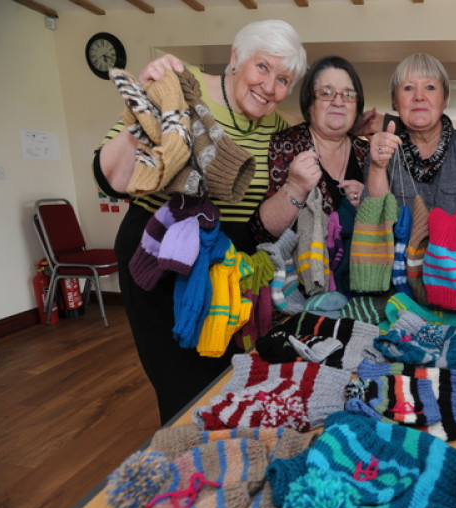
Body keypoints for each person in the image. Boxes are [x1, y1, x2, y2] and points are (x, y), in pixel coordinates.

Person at [93, 20, 307, 424]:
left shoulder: (278, 127)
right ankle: (189, 471)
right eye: (262, 67)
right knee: (184, 393)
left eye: (283, 79)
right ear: (235, 58)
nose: (270, 86)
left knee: (229, 386)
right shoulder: (181, 84)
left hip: (229, 272)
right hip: (163, 261)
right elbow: (110, 179)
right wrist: (146, 109)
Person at [249, 55, 370, 243]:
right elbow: (261, 233)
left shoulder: (367, 152)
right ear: (310, 101)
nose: (338, 102)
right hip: (299, 269)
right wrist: (296, 188)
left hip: (360, 269)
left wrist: (368, 201)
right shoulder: (282, 144)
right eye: (326, 93)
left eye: (348, 94)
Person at [365, 53, 456, 215]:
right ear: (394, 101)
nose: (419, 97)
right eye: (408, 88)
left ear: (445, 99)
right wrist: (377, 167)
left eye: (430, 87)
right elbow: (374, 225)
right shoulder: (380, 152)